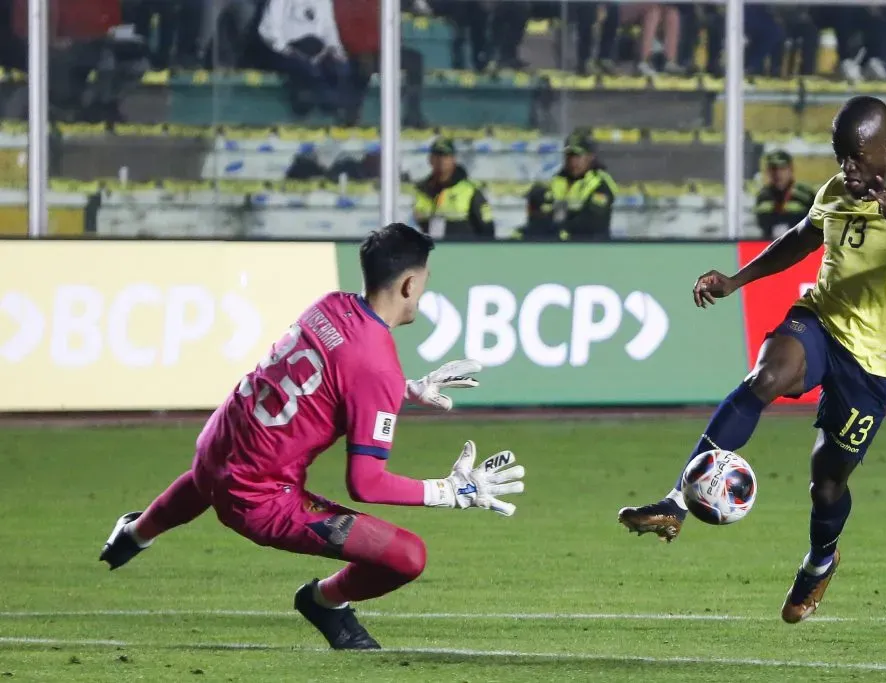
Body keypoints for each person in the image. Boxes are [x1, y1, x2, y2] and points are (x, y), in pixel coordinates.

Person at [618, 96, 886, 623]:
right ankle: (675, 502)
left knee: (827, 480)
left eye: (857, 157)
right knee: (765, 377)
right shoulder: (835, 190)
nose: (847, 168)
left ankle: (819, 561)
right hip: (819, 321)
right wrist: (735, 281)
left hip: (871, 361)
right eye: (840, 156)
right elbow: (800, 239)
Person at [99, 223, 526, 649]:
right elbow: (366, 483)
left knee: (207, 477)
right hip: (257, 498)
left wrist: (402, 390)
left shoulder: (331, 306)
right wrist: (451, 491)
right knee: (408, 556)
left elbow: (331, 380)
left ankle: (135, 534)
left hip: (218, 444)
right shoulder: (376, 365)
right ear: (410, 283)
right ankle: (324, 601)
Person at [512, 129, 617, 241]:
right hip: (559, 240)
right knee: (520, 235)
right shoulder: (557, 180)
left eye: (578, 156)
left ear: (590, 157)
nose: (572, 161)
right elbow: (546, 213)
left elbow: (592, 222)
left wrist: (559, 225)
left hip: (589, 245)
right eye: (569, 155)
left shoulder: (600, 182)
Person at [258, 0, 349, 117]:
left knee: (341, 68)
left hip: (318, 50)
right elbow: (268, 28)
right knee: (307, 71)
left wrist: (334, 49)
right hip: (289, 50)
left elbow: (328, 28)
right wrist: (286, 50)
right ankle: (304, 103)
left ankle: (335, 107)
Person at [412, 138, 495, 240]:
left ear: (453, 159)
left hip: (462, 252)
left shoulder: (471, 190)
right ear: (430, 159)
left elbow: (487, 229)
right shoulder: (421, 191)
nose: (441, 160)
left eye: (446, 156)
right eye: (437, 156)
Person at [755, 151, 816, 240]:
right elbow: (762, 222)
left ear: (791, 169)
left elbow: (816, 222)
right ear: (768, 171)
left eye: (782, 168)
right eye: (773, 169)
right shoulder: (763, 196)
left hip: (801, 243)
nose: (778, 173)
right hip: (771, 244)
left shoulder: (805, 194)